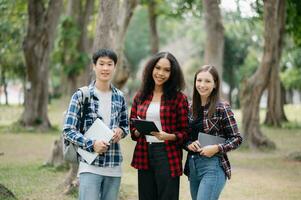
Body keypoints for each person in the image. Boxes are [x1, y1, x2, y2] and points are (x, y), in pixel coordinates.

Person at [63, 49, 129, 200]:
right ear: (94, 66)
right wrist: (91, 144)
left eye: (109, 64)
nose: (105, 68)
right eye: (101, 64)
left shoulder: (120, 97)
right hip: (90, 165)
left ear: (115, 67)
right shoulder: (81, 95)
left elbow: (126, 126)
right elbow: (68, 130)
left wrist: (121, 131)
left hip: (114, 166)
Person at [130, 52, 189, 200]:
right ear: (151, 69)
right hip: (144, 152)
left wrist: (169, 136)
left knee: (167, 197)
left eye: (166, 70)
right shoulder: (140, 95)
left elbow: (186, 132)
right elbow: (132, 127)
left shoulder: (179, 98)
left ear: (173, 73)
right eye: (158, 68)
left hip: (167, 154)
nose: (161, 73)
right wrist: (137, 130)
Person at [184, 65, 243, 200]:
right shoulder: (189, 107)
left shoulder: (222, 108)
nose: (202, 85)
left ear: (215, 84)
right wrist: (188, 144)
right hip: (193, 166)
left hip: (213, 166)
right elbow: (184, 136)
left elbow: (237, 138)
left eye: (207, 81)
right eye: (199, 80)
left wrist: (216, 148)